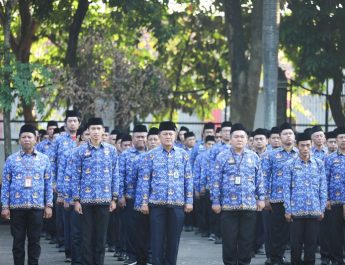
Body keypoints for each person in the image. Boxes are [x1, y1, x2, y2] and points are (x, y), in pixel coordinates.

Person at [138, 121, 193, 265]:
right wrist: (144, 202)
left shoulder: (183, 155)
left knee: (173, 241)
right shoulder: (150, 156)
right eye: (165, 134)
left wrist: (189, 201)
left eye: (170, 133)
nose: (168, 136)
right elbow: (145, 181)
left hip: (177, 204)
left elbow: (188, 179)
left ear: (175, 136)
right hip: (157, 204)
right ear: (159, 136)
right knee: (157, 240)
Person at [211, 123, 265, 265]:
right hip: (228, 207)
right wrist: (215, 201)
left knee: (246, 240)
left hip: (249, 206)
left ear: (247, 139)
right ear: (231, 138)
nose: (239, 139)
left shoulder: (254, 157)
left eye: (242, 137)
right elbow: (215, 180)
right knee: (229, 240)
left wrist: (261, 198)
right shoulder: (221, 156)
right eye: (236, 136)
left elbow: (259, 179)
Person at [1, 124, 53, 265]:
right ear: (19, 140)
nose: (26, 140)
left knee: (34, 241)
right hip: (17, 207)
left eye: (29, 137)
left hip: (37, 207)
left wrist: (49, 205)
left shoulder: (44, 159)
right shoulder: (11, 159)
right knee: (17, 241)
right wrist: (5, 206)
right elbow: (5, 184)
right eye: (23, 137)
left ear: (35, 139)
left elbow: (48, 184)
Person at [71, 117, 119, 265]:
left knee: (100, 238)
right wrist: (76, 200)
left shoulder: (111, 151)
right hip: (85, 202)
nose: (96, 132)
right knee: (86, 237)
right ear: (88, 131)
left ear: (103, 131)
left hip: (104, 200)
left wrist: (114, 198)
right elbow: (75, 175)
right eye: (93, 129)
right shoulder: (80, 151)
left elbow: (115, 175)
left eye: (99, 129)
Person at [283, 132, 327, 265]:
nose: (305, 148)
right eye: (302, 145)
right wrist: (288, 210)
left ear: (311, 145)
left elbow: (323, 187)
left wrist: (322, 208)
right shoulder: (289, 164)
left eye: (308, 145)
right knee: (295, 244)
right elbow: (286, 189)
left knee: (311, 244)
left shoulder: (319, 164)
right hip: (296, 211)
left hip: (314, 210)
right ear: (297, 145)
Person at [262, 122, 299, 265]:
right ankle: (276, 258)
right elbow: (265, 177)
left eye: (290, 133)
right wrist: (265, 197)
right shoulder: (271, 155)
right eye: (285, 134)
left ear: (294, 137)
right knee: (277, 231)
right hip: (277, 199)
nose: (288, 136)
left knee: (295, 232)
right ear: (280, 137)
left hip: (298, 199)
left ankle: (293, 258)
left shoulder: (300, 154)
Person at [52, 110, 80, 262]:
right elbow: (53, 163)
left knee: (79, 223)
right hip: (64, 188)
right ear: (65, 123)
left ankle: (79, 252)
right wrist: (55, 183)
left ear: (79, 123)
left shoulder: (84, 139)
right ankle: (68, 251)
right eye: (69, 121)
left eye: (75, 121)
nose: (72, 123)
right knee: (67, 222)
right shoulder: (59, 141)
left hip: (82, 190)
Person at [118, 124, 148, 265]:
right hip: (130, 198)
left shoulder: (152, 154)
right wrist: (121, 195)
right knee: (130, 229)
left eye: (143, 136)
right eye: (138, 137)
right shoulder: (125, 155)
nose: (141, 139)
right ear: (133, 138)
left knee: (147, 230)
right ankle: (131, 256)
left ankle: (145, 257)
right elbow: (120, 175)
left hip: (148, 201)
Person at [324, 127, 345, 265]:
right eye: (341, 138)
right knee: (335, 234)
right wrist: (326, 199)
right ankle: (337, 260)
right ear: (336, 141)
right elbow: (324, 179)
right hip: (335, 202)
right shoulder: (330, 159)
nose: (343, 140)